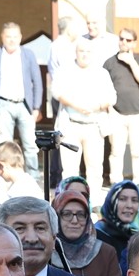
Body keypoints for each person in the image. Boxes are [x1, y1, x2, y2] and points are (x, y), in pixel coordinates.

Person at [52, 38, 116, 190]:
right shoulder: (65, 70)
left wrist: (96, 106)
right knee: (69, 169)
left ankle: (93, 201)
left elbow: (112, 97)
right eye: (82, 51)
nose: (85, 54)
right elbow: (56, 92)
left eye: (88, 51)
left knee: (94, 168)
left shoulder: (101, 73)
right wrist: (77, 106)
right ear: (76, 52)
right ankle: (68, 199)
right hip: (71, 125)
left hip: (94, 126)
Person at [0, 22, 42, 179]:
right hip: (2, 105)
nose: (12, 40)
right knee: (5, 145)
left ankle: (33, 178)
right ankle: (6, 178)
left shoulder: (28, 54)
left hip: (25, 105)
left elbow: (37, 81)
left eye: (15, 36)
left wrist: (36, 107)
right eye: (8, 36)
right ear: (2, 37)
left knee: (30, 145)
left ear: (20, 37)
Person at [53, 189, 121, 276]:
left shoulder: (106, 253)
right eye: (67, 214)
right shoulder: (46, 253)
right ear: (56, 217)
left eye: (81, 214)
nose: (75, 221)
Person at [94, 179, 139, 257]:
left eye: (134, 200)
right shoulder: (97, 234)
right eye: (122, 199)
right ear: (111, 202)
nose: (129, 205)